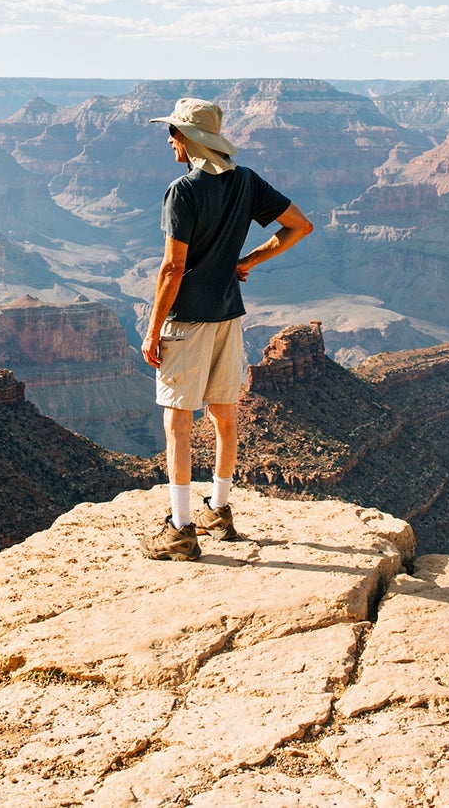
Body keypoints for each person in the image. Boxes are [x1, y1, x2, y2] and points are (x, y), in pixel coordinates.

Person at [139, 97, 313, 560]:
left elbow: (172, 268)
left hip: (189, 321)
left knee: (177, 420)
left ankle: (180, 530)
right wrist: (249, 260)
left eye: (173, 132)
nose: (169, 140)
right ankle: (220, 509)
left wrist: (152, 329)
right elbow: (299, 225)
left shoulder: (184, 190)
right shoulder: (246, 181)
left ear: (191, 139)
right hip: (229, 317)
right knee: (223, 414)